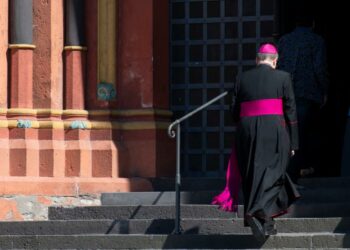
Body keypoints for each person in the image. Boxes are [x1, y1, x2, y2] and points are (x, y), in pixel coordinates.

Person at [212, 43, 300, 241]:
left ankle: (265, 224)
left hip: (246, 130)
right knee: (276, 174)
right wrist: (294, 142)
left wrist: (246, 122)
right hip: (274, 129)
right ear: (275, 61)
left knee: (253, 173)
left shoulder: (241, 77)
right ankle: (255, 210)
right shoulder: (283, 77)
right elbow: (291, 111)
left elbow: (234, 111)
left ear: (257, 59)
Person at [278, 15, 329, 181]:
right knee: (307, 133)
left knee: (290, 133)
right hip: (308, 93)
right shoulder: (316, 40)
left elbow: (277, 65)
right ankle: (305, 170)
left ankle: (289, 171)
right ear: (312, 24)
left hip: (286, 93)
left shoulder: (285, 40)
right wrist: (324, 90)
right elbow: (319, 68)